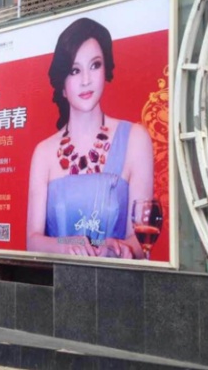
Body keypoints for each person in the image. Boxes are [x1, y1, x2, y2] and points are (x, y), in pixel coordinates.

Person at [27, 17, 154, 259]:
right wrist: (70, 244)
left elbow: (142, 238)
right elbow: (33, 241)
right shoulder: (44, 152)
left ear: (106, 70)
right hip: (58, 278)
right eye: (75, 70)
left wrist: (121, 247)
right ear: (62, 85)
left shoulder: (135, 139)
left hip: (116, 277)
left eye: (95, 65)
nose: (86, 80)